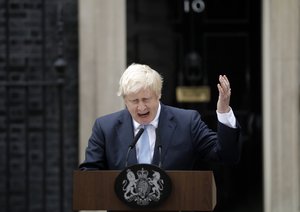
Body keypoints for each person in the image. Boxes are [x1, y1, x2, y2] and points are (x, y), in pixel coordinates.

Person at [79, 63, 241, 170]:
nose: (141, 107)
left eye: (146, 99)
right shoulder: (105, 128)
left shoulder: (187, 122)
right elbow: (90, 175)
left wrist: (224, 111)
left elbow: (226, 155)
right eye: (134, 101)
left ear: (158, 95)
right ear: (125, 100)